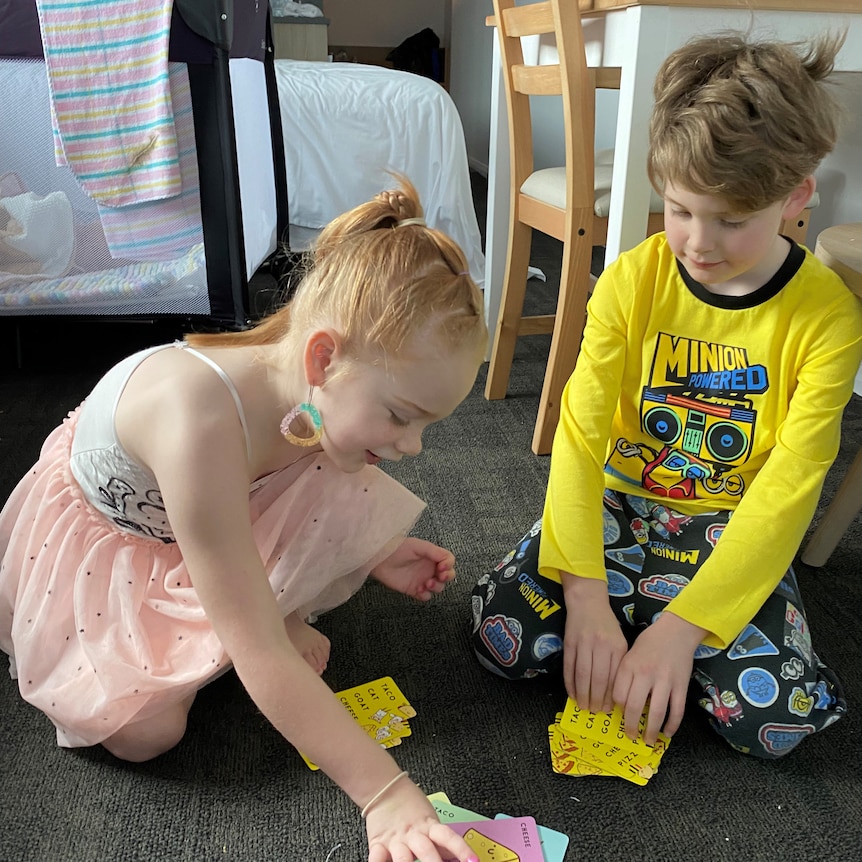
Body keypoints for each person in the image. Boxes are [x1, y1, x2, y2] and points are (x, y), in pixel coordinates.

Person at [0, 179, 486, 862]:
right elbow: (260, 652)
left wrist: (375, 549)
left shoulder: (307, 391)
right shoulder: (199, 421)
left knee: (337, 454)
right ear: (324, 357)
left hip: (216, 506)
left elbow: (299, 466)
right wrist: (386, 797)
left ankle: (245, 601)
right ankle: (225, 611)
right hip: (121, 540)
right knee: (148, 734)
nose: (413, 446)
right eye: (404, 416)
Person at [471, 33, 862, 759]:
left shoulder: (829, 317)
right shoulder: (629, 281)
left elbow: (786, 492)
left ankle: (657, 632)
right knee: (504, 640)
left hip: (725, 528)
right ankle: (625, 620)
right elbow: (582, 438)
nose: (698, 242)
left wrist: (684, 630)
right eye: (680, 209)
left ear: (796, 194)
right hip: (620, 502)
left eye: (732, 220)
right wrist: (585, 594)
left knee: (773, 722)